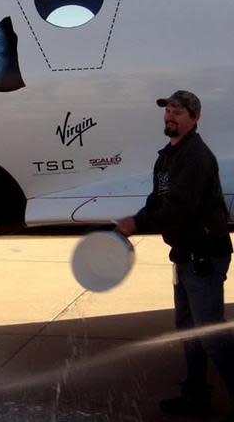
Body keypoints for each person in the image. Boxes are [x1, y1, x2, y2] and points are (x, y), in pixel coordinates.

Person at [116, 90, 234, 419]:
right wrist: (132, 221)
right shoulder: (167, 156)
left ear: (194, 118)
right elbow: (158, 201)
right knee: (189, 330)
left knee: (211, 335)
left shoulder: (196, 157)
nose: (170, 116)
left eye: (178, 112)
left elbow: (178, 208)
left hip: (204, 257)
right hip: (184, 255)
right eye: (167, 111)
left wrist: (137, 223)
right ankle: (195, 398)